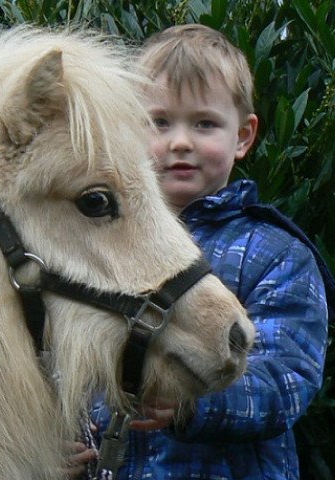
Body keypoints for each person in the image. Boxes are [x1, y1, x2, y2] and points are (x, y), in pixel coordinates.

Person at [70, 24, 333, 479]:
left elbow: (288, 379)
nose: (180, 142)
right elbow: (70, 366)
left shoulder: (275, 253)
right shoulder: (102, 246)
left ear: (244, 137)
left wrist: (195, 405)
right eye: (159, 122)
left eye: (205, 123)